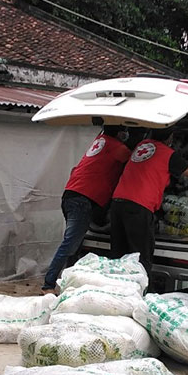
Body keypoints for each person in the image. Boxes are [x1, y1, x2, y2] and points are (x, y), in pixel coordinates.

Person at [41, 125, 135, 294]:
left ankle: (68, 280)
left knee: (75, 245)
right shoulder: (118, 148)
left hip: (70, 195)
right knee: (70, 245)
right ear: (119, 133)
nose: (126, 134)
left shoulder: (100, 141)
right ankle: (49, 284)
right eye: (125, 130)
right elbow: (135, 163)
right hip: (83, 200)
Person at [110, 126, 188, 277]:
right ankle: (142, 288)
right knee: (140, 256)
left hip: (118, 202)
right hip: (139, 205)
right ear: (170, 137)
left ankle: (116, 284)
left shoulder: (142, 145)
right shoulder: (168, 154)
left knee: (118, 254)